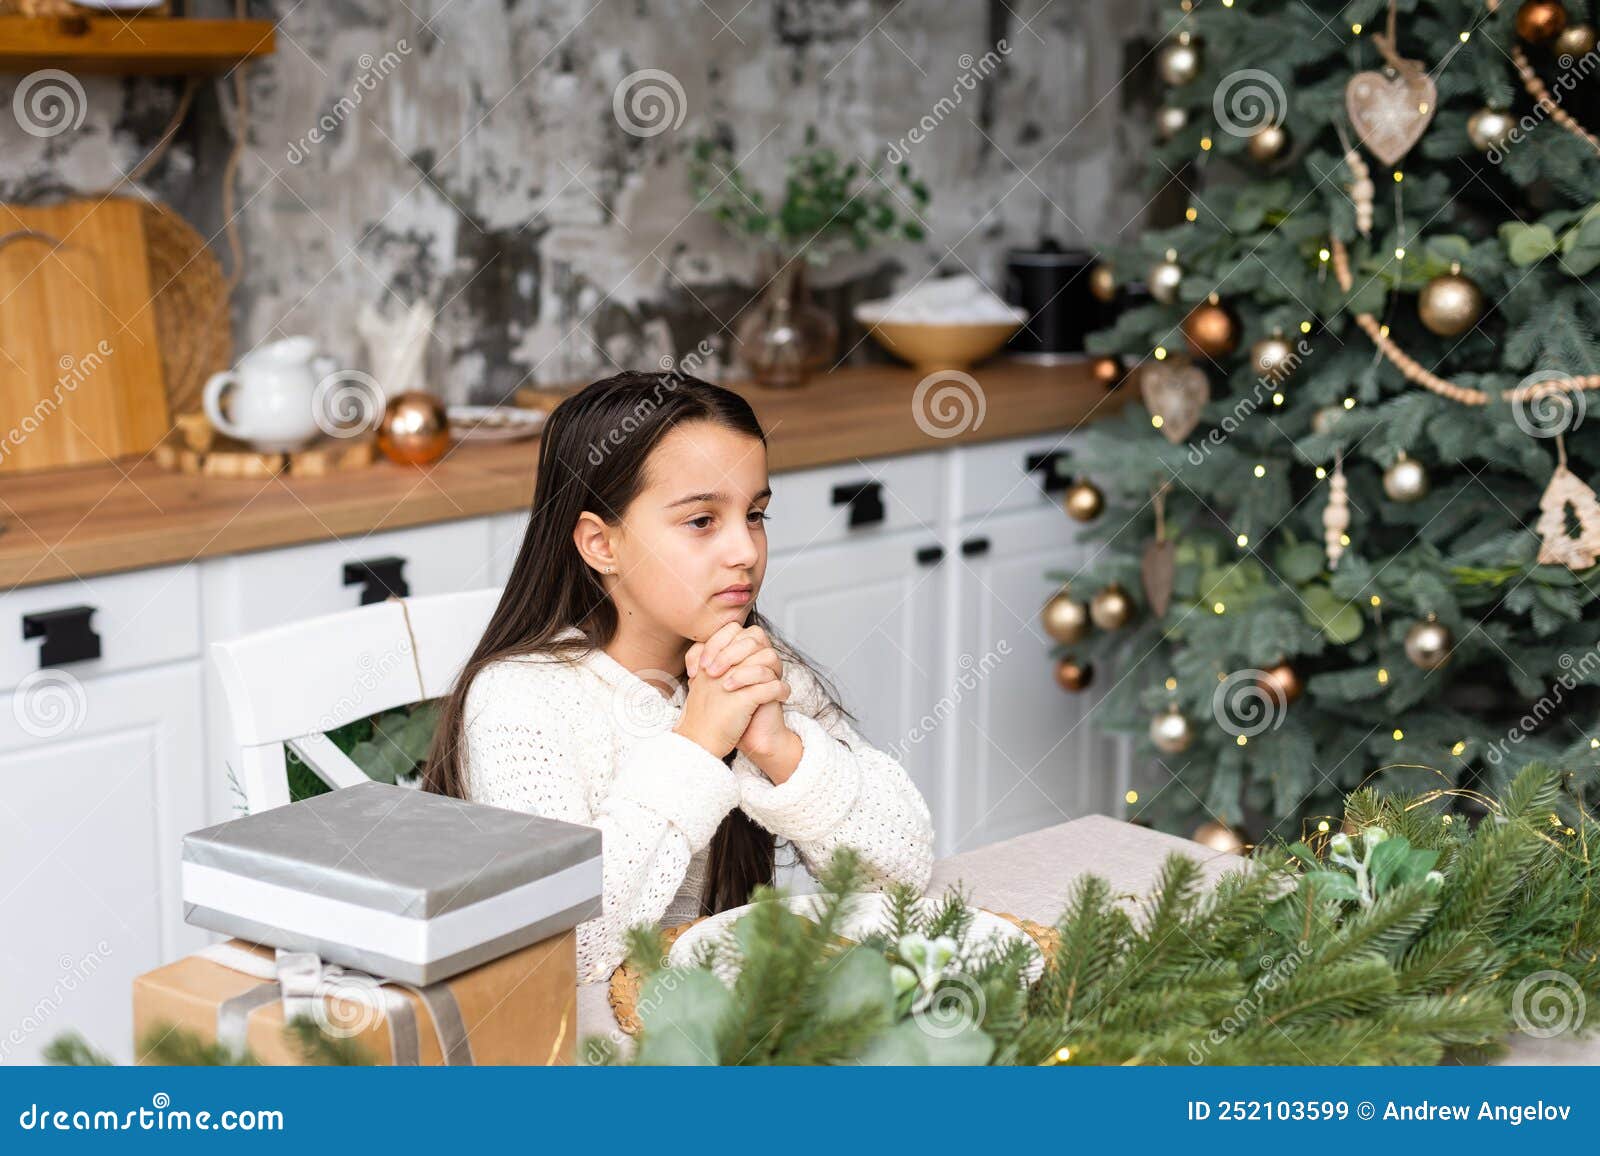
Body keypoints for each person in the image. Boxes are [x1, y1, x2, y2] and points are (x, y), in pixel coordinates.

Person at [423, 370, 935, 984]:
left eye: (756, 515)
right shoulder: (521, 701)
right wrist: (696, 744)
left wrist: (781, 750)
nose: (745, 550)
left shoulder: (762, 674)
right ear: (599, 544)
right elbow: (563, 951)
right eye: (701, 521)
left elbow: (902, 881)